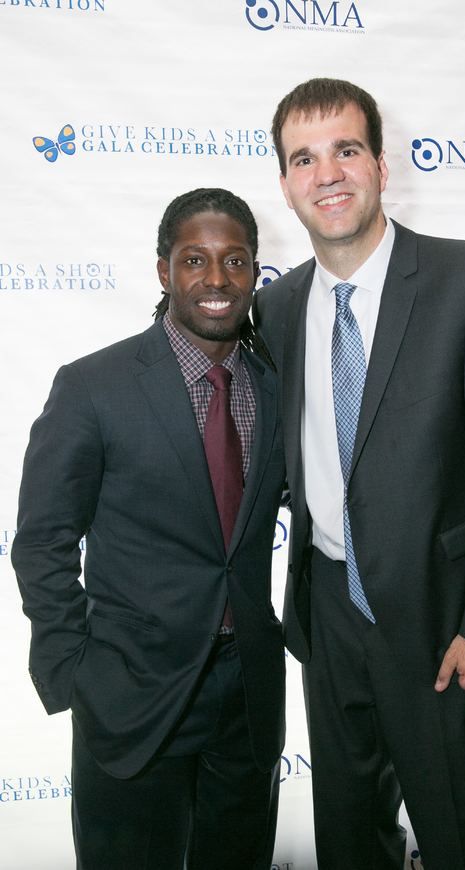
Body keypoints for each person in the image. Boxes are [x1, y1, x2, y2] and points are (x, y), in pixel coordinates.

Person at [253, 78, 465, 870]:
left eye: (346, 149)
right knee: (350, 841)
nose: (328, 174)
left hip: (449, 627)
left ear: (381, 164)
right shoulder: (277, 312)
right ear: (285, 184)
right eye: (304, 159)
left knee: (457, 839)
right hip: (329, 619)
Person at [12, 188, 286, 870]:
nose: (217, 279)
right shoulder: (92, 386)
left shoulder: (276, 386)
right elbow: (42, 541)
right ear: (164, 271)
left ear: (255, 272)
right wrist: (78, 672)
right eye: (196, 259)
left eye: (235, 260)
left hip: (248, 696)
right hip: (132, 693)